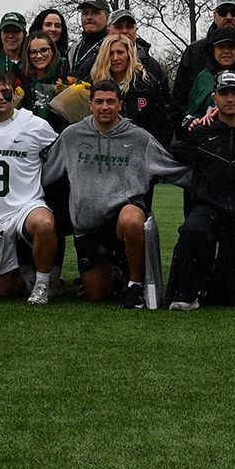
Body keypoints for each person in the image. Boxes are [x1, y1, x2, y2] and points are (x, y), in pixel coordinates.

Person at [43, 79, 191, 307]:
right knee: (95, 294)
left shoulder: (139, 138)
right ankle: (116, 274)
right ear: (90, 104)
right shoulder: (72, 136)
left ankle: (135, 286)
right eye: (99, 101)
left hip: (124, 212)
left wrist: (210, 183)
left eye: (111, 101)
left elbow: (173, 168)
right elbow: (47, 172)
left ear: (120, 104)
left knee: (131, 219)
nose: (105, 107)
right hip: (89, 223)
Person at [167, 69, 235, 309]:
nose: (230, 98)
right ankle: (186, 292)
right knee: (192, 230)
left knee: (231, 298)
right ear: (214, 98)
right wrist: (188, 124)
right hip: (208, 209)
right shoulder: (200, 133)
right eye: (224, 93)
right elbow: (167, 156)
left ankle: (228, 280)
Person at [0, 72, 63, 303]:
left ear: (15, 94)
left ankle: (42, 283)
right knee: (2, 290)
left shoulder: (35, 125)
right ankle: (25, 281)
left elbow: (58, 158)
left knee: (45, 223)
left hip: (25, 205)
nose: (0, 97)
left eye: (6, 92)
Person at [89, 32, 173, 143]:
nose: (115, 58)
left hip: (140, 148)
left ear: (129, 55)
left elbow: (160, 125)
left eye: (120, 52)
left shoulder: (145, 84)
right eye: (110, 53)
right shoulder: (94, 83)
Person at [179, 27, 235, 129]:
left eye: (231, 46)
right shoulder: (203, 78)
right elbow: (189, 113)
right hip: (210, 137)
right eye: (221, 47)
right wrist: (193, 121)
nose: (226, 51)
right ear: (213, 50)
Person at [19, 33, 72, 126]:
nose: (39, 56)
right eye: (33, 52)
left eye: (44, 50)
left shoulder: (66, 74)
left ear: (52, 51)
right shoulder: (20, 77)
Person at [71, 0, 112, 76]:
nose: (89, 17)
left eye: (95, 13)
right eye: (85, 13)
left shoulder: (113, 46)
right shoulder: (74, 47)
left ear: (108, 18)